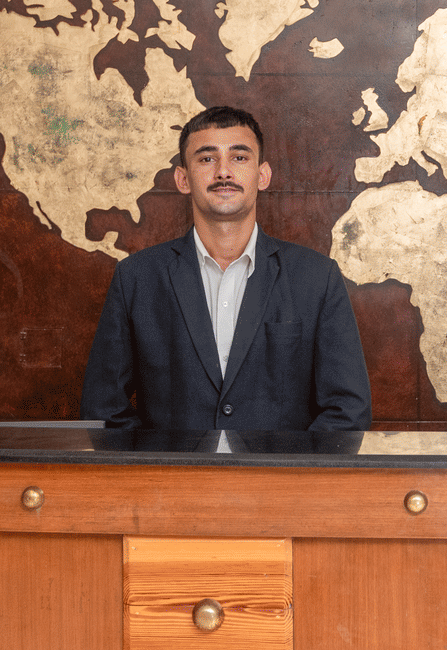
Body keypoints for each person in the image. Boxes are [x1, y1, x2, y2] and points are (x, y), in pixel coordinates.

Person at [81, 106, 372, 431]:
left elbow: (348, 411)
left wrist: (287, 480)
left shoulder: (317, 277)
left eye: (239, 157)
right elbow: (103, 409)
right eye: (206, 159)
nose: (223, 172)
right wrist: (159, 477)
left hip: (278, 481)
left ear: (262, 175)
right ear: (182, 179)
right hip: (173, 480)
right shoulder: (136, 278)